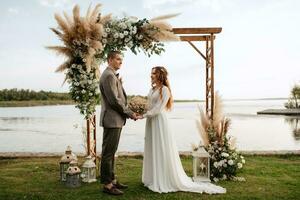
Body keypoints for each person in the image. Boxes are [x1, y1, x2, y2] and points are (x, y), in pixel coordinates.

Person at [138, 66, 226, 194]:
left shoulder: (165, 90)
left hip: (159, 121)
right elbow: (150, 106)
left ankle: (163, 178)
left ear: (160, 75)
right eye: (151, 73)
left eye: (154, 73)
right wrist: (140, 111)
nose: (151, 75)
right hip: (151, 121)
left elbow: (158, 109)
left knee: (161, 148)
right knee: (152, 147)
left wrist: (143, 115)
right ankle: (152, 177)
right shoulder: (152, 89)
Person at [99, 51, 138, 195]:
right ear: (110, 60)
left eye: (121, 59)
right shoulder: (109, 75)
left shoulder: (112, 75)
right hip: (112, 119)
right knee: (108, 153)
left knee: (111, 152)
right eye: (117, 59)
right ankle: (107, 185)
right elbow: (114, 100)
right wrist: (130, 113)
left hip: (115, 120)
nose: (120, 62)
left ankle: (113, 180)